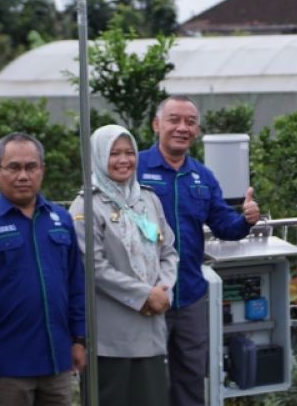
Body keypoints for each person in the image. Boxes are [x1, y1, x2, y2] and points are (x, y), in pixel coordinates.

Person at [136, 95, 260, 406]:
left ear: (197, 129)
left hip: (190, 295)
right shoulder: (135, 168)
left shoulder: (202, 177)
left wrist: (245, 220)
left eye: (190, 122)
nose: (182, 128)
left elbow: (223, 225)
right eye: (174, 120)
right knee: (149, 379)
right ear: (156, 125)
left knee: (191, 377)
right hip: (147, 293)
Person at [0, 132, 86, 405]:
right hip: (6, 368)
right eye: (14, 167)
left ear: (42, 170)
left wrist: (79, 339)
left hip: (56, 362)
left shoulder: (60, 219)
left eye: (31, 167)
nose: (23, 176)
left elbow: (75, 284)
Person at [70, 125, 178, 406]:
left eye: (129, 152)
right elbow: (94, 267)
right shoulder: (86, 206)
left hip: (152, 330)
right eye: (114, 153)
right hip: (111, 338)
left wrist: (163, 290)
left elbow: (168, 251)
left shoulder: (148, 200)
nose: (124, 160)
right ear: (98, 157)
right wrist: (144, 295)